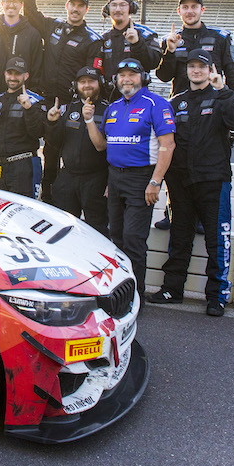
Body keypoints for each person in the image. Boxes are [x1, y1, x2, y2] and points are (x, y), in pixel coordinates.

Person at [149, 50, 234, 317]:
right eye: (191, 66)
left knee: (217, 239)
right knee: (179, 237)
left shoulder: (222, 97)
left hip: (213, 180)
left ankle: (216, 296)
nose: (196, 71)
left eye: (201, 67)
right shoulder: (175, 101)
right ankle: (172, 288)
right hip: (180, 182)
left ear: (210, 70)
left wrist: (224, 90)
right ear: (186, 70)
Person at [155, 0, 234, 239]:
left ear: (202, 10)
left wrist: (233, 101)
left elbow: (233, 71)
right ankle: (173, 212)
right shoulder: (171, 38)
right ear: (179, 11)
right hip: (180, 110)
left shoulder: (220, 37)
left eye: (195, 6)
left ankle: (206, 215)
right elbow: (163, 75)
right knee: (177, 160)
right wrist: (169, 51)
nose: (190, 11)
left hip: (212, 110)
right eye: (185, 7)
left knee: (212, 161)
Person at [89, 58, 175, 295]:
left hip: (142, 179)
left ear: (143, 78)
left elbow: (168, 145)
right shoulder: (113, 107)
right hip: (115, 179)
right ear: (115, 80)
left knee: (134, 240)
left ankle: (136, 297)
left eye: (132, 74)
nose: (127, 79)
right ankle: (118, 294)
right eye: (122, 75)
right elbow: (106, 146)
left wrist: (155, 182)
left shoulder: (156, 104)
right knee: (115, 238)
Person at [22, 0, 101, 203]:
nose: (76, 9)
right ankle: (46, 195)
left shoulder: (92, 39)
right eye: (73, 4)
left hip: (70, 103)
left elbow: (91, 77)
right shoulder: (53, 27)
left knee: (67, 151)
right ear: (67, 6)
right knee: (48, 150)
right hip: (46, 99)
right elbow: (32, 13)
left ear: (86, 10)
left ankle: (65, 196)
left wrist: (84, 102)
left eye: (81, 6)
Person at [45, 66, 109, 236]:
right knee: (63, 230)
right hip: (68, 178)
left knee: (97, 231)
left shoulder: (108, 109)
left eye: (91, 81)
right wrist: (52, 123)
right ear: (76, 85)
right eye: (82, 82)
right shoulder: (67, 109)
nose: (87, 85)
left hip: (96, 180)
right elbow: (54, 143)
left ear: (99, 83)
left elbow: (108, 147)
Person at [0, 57, 47, 198]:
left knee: (25, 213)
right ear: (5, 74)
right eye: (10, 73)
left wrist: (29, 109)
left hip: (24, 166)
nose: (13, 78)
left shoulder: (35, 101)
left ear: (26, 76)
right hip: (0, 166)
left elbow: (38, 133)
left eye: (17, 74)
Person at [96, 0, 162, 95]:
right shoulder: (103, 38)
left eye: (123, 5)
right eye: (114, 5)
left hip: (137, 97)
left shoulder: (146, 34)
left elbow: (154, 63)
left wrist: (137, 43)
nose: (118, 9)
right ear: (108, 9)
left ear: (130, 8)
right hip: (109, 99)